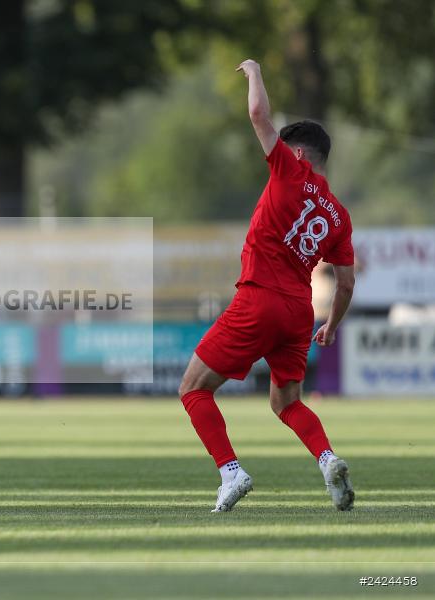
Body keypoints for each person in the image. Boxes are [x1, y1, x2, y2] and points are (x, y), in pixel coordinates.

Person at [178, 59, 356, 513]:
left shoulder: (288, 172)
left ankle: (230, 472)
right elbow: (346, 282)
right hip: (299, 312)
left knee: (193, 389)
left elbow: (258, 115)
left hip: (259, 297)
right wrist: (331, 327)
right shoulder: (337, 214)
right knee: (286, 401)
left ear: (297, 155)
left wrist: (254, 71)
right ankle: (328, 459)